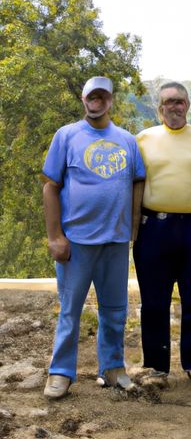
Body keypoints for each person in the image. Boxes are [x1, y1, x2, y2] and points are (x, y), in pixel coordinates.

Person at [42, 76, 146, 399]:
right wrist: (55, 236)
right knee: (70, 310)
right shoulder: (67, 136)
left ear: (110, 100)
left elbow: (138, 181)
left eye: (102, 96)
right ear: (84, 99)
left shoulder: (127, 140)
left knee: (115, 310)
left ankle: (113, 368)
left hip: (115, 242)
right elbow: (50, 187)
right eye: (91, 95)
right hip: (77, 242)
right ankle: (60, 372)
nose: (96, 100)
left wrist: (133, 227)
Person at [133, 82, 191, 387]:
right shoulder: (143, 139)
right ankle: (156, 366)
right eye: (168, 101)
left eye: (180, 101)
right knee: (154, 301)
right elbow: (135, 182)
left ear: (188, 105)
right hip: (153, 228)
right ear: (160, 107)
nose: (175, 106)